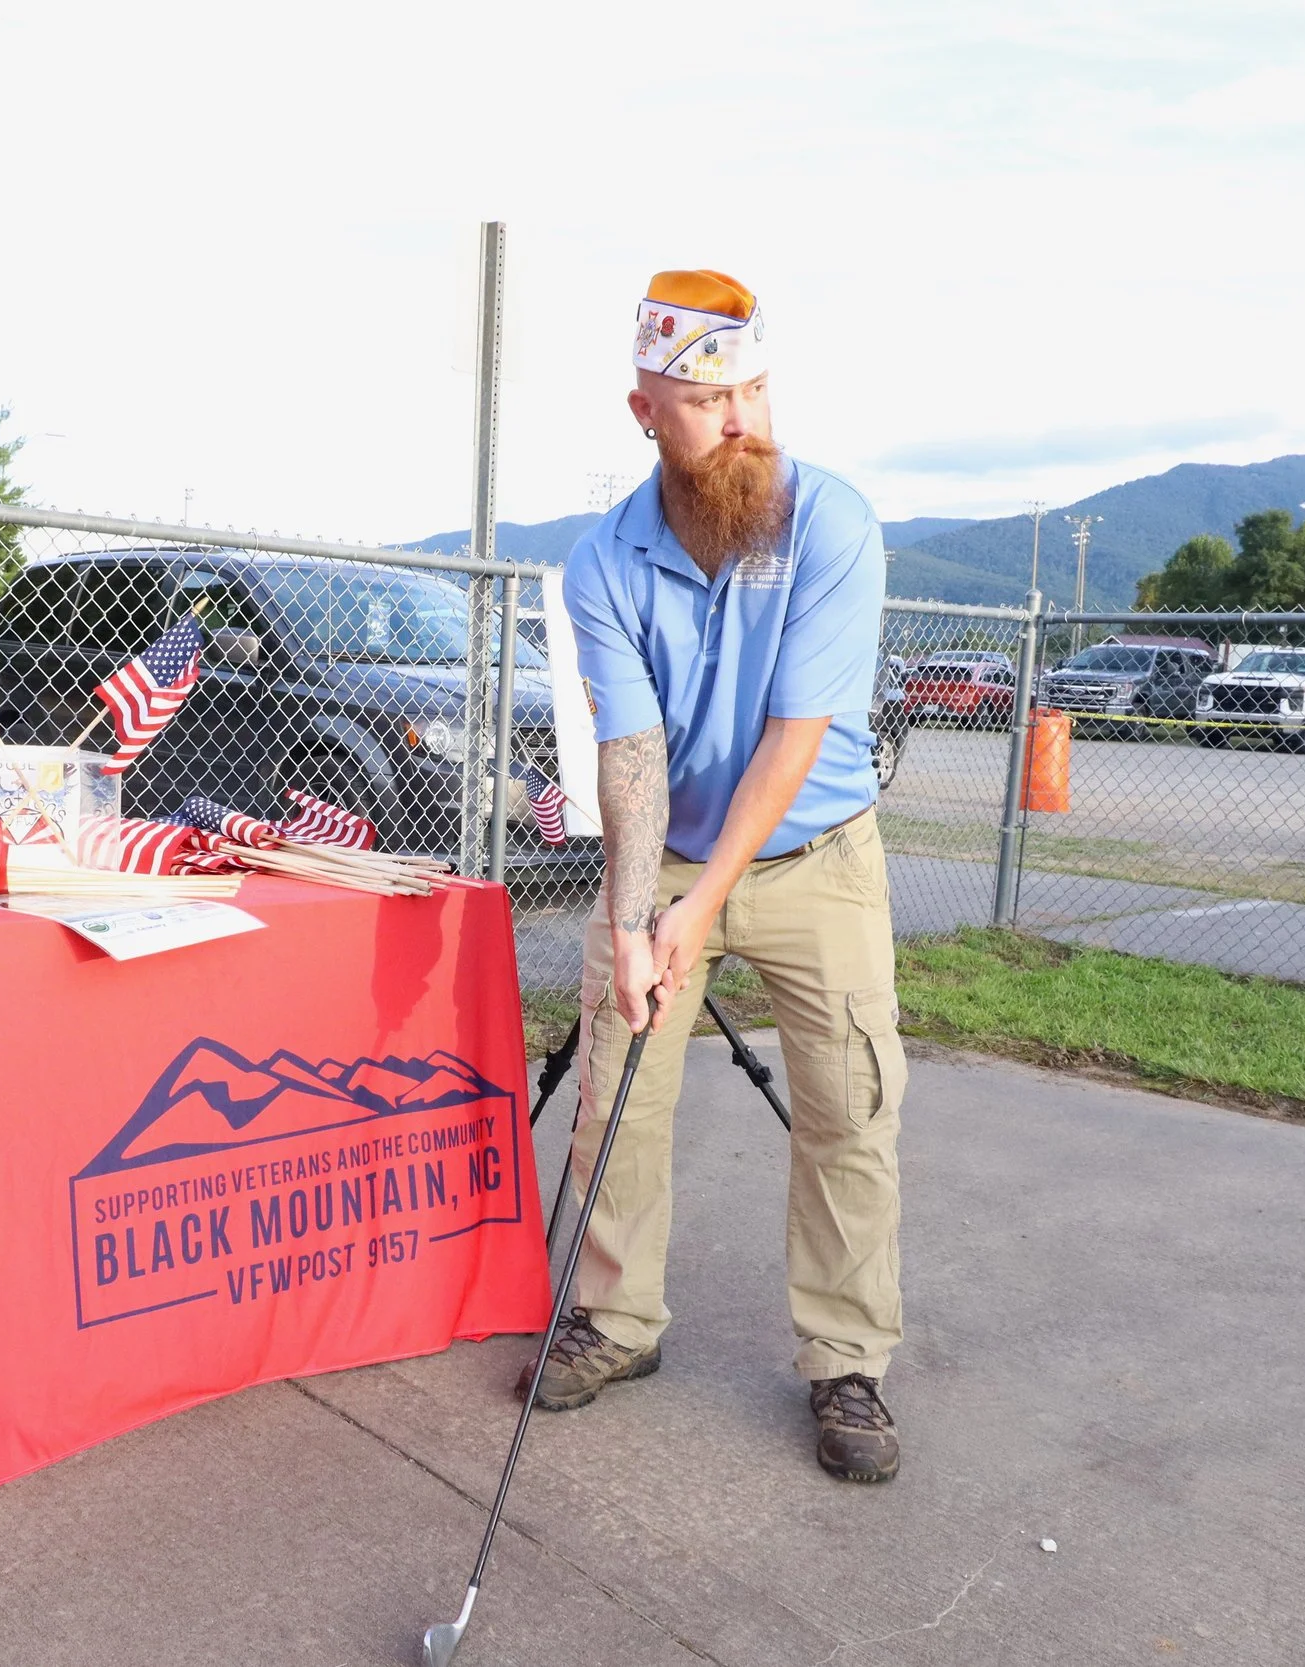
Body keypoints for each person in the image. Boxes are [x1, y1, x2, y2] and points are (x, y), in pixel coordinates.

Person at [534, 268, 909, 1483]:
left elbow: (797, 732)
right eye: (707, 399)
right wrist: (641, 918)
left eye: (751, 388)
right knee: (614, 1099)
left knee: (849, 1107)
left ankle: (845, 1361)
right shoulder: (603, 566)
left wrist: (701, 906)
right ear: (644, 411)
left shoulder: (831, 521)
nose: (742, 418)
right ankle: (616, 1319)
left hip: (818, 854)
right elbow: (630, 755)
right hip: (669, 854)